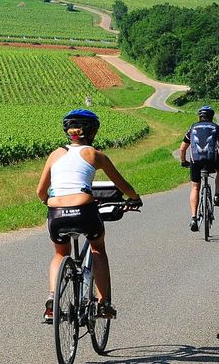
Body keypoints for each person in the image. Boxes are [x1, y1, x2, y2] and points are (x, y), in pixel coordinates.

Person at [37, 109, 141, 323]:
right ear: (92, 133)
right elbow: (122, 185)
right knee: (97, 248)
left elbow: (40, 191)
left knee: (59, 254)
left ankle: (53, 298)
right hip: (84, 209)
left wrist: (49, 201)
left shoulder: (55, 154)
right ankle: (103, 304)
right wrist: (134, 198)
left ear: (69, 132)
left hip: (56, 212)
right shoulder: (96, 155)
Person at [179, 106, 219, 232]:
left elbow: (182, 148)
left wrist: (183, 161)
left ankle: (193, 218)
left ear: (200, 116)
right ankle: (216, 194)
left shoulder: (192, 127)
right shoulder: (216, 128)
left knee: (195, 187)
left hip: (195, 160)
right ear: (211, 116)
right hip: (212, 159)